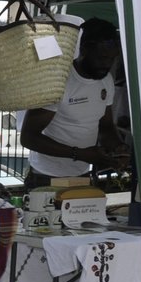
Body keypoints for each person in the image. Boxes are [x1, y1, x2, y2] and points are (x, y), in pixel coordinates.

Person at [20, 18, 128, 188]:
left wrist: (117, 148)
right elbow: (28, 137)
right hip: (46, 177)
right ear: (84, 49)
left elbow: (105, 127)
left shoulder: (105, 80)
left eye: (112, 59)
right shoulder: (59, 81)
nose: (106, 65)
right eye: (101, 58)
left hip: (82, 175)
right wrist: (79, 154)